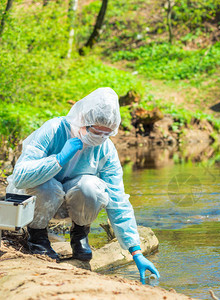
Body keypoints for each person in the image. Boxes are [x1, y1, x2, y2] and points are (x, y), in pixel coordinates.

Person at [6, 87, 160, 283]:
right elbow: (20, 177)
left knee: (92, 186)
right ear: (82, 120)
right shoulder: (54, 130)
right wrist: (59, 160)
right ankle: (38, 237)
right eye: (96, 131)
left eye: (106, 134)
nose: (100, 138)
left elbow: (117, 199)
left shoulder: (105, 149)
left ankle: (79, 235)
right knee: (48, 186)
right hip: (36, 200)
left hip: (71, 203)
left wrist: (136, 251)